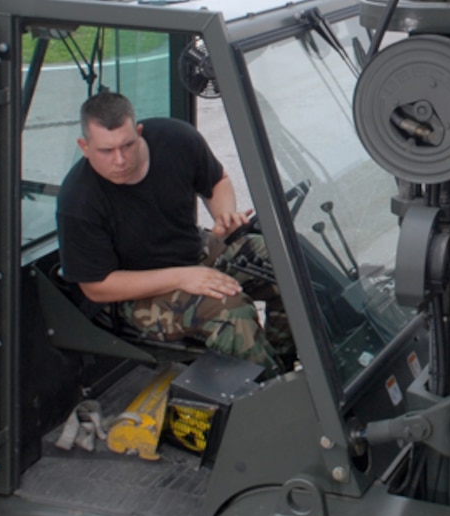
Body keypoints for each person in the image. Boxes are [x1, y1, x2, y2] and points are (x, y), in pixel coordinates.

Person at [55, 90, 292, 373]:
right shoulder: (78, 200)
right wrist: (182, 276)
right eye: (106, 151)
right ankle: (274, 398)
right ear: (84, 146)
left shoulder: (175, 139)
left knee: (286, 261)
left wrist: (224, 215)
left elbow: (217, 180)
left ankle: (289, 367)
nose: (119, 160)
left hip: (195, 251)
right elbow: (96, 287)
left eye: (127, 145)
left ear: (139, 131)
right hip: (136, 293)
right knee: (231, 311)